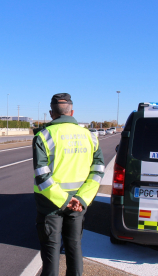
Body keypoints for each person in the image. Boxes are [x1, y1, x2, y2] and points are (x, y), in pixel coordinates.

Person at [33, 93, 105, 276]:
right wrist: (81, 198)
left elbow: (42, 176)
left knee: (51, 251)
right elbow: (97, 171)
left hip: (50, 204)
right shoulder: (90, 136)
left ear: (51, 113)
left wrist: (65, 200)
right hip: (78, 205)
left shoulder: (43, 136)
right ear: (72, 111)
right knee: (74, 248)